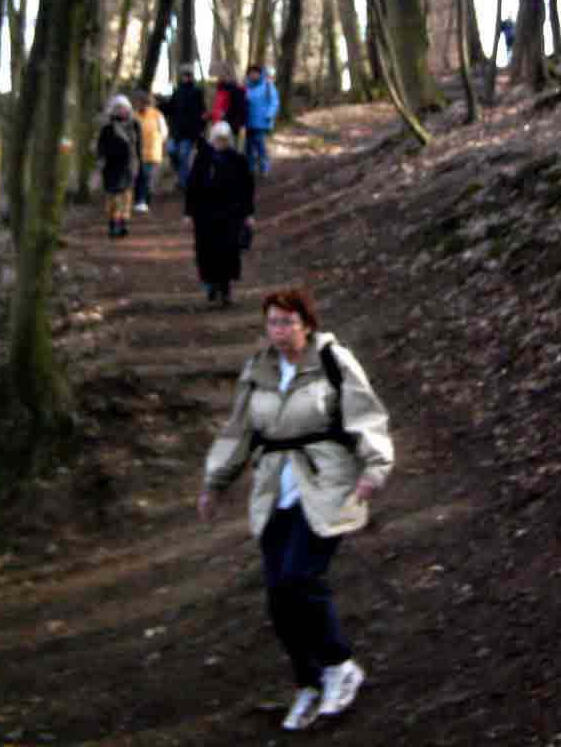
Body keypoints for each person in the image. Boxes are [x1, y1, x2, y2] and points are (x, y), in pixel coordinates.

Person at [197, 286, 393, 731]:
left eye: (287, 321)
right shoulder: (258, 369)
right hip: (274, 487)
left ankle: (340, 666)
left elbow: (366, 413)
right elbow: (239, 430)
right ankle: (308, 681)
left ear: (306, 323)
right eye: (272, 322)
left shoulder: (332, 361)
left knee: (301, 576)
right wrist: (215, 481)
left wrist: (376, 466)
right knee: (278, 597)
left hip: (326, 482)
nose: (279, 330)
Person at [183, 121, 255, 306]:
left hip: (230, 215)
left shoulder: (238, 160)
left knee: (228, 253)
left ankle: (225, 289)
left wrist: (248, 214)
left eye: (224, 139)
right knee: (206, 253)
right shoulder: (202, 160)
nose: (220, 143)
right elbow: (192, 187)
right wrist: (189, 212)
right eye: (217, 139)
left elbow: (247, 189)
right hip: (205, 216)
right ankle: (211, 285)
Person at [95, 94, 141, 238]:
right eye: (118, 108)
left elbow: (139, 145)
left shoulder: (134, 125)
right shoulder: (107, 127)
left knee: (126, 195)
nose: (121, 110)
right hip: (111, 167)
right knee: (112, 196)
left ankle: (123, 222)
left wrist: (139, 161)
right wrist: (100, 159)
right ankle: (113, 223)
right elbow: (100, 146)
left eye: (124, 108)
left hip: (128, 165)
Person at [163, 63, 207, 189]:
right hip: (176, 131)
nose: (186, 78)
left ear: (192, 76)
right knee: (171, 151)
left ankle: (184, 182)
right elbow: (170, 108)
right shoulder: (177, 92)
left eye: (188, 75)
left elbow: (202, 112)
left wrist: (201, 129)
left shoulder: (197, 92)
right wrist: (160, 105)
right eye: (184, 75)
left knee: (183, 155)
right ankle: (183, 176)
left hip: (190, 132)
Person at [132, 89, 168, 214]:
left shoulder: (157, 114)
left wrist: (160, 144)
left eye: (139, 102)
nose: (137, 105)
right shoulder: (133, 115)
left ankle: (144, 201)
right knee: (138, 178)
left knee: (147, 177)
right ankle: (139, 201)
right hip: (138, 153)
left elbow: (163, 132)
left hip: (153, 152)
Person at [244, 62, 280, 177]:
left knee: (260, 146)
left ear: (260, 74)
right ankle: (250, 169)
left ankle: (264, 168)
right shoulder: (247, 87)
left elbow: (274, 102)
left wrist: (269, 114)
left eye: (255, 73)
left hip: (262, 122)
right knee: (248, 147)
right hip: (249, 122)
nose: (253, 75)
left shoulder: (268, 85)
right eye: (251, 73)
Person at [211, 67, 249, 147]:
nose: (223, 77)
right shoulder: (219, 89)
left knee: (230, 149)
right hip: (218, 123)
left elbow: (240, 108)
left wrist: (227, 115)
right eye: (221, 75)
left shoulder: (237, 90)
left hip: (232, 124)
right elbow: (216, 106)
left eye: (226, 74)